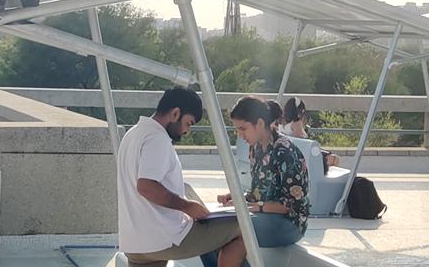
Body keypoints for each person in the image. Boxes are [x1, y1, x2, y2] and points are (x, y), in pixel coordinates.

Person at [117, 86, 245, 267]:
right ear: (175, 113)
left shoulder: (132, 134)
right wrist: (187, 206)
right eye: (189, 123)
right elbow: (146, 186)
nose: (187, 131)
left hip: (135, 243)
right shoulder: (157, 138)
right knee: (243, 228)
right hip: (163, 238)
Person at [215, 96, 310, 250]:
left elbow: (292, 205)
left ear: (259, 123)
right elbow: (259, 192)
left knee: (235, 230)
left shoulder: (284, 151)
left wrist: (256, 207)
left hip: (289, 223)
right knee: (212, 229)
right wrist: (238, 198)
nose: (240, 135)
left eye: (243, 129)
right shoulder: (255, 147)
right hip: (264, 215)